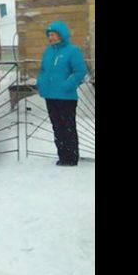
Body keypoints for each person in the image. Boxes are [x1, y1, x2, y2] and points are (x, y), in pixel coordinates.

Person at [36, 21, 88, 166]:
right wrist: (40, 82)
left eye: (53, 34)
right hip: (50, 95)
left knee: (68, 127)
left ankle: (71, 157)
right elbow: (43, 70)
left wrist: (67, 85)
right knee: (57, 127)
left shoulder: (72, 51)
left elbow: (80, 71)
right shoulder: (48, 51)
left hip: (66, 97)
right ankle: (62, 156)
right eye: (49, 35)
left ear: (61, 35)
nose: (50, 37)